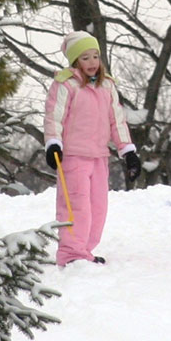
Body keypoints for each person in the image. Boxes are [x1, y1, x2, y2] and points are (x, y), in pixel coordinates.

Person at [42, 32, 143, 266]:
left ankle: (85, 250)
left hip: (99, 157)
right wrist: (53, 143)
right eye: (85, 57)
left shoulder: (107, 85)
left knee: (98, 208)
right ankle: (71, 253)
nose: (92, 62)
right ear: (75, 60)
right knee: (76, 205)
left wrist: (128, 151)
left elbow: (116, 121)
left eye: (95, 56)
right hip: (73, 156)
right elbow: (54, 117)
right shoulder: (65, 85)